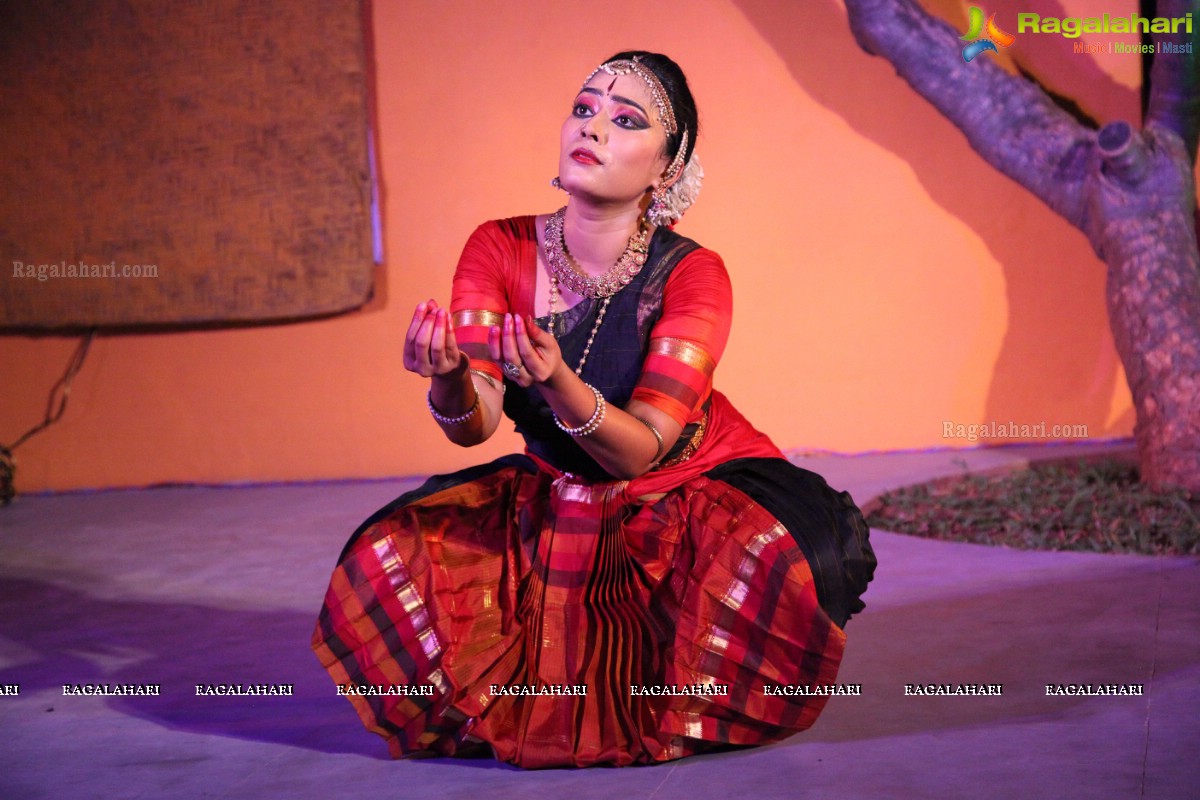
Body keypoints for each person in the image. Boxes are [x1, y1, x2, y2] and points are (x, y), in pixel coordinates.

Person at [312, 50, 876, 769]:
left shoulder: (696, 273)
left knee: (783, 565)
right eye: (584, 109)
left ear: (667, 169)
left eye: (626, 119)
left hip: (687, 484)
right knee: (389, 560)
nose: (595, 128)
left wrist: (557, 383)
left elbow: (641, 450)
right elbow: (473, 426)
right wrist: (450, 378)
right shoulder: (499, 246)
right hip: (558, 489)